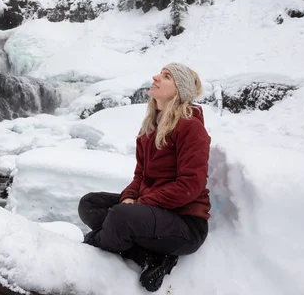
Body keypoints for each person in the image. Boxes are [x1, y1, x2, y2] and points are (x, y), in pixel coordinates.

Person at [78, 62, 211, 292]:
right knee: (89, 204)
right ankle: (151, 256)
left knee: (120, 217)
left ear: (179, 90)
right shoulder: (150, 127)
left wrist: (139, 204)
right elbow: (140, 175)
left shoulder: (190, 127)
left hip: (186, 224)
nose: (156, 77)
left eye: (166, 76)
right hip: (155, 212)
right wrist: (130, 196)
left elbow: (190, 185)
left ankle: (91, 245)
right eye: (161, 73)